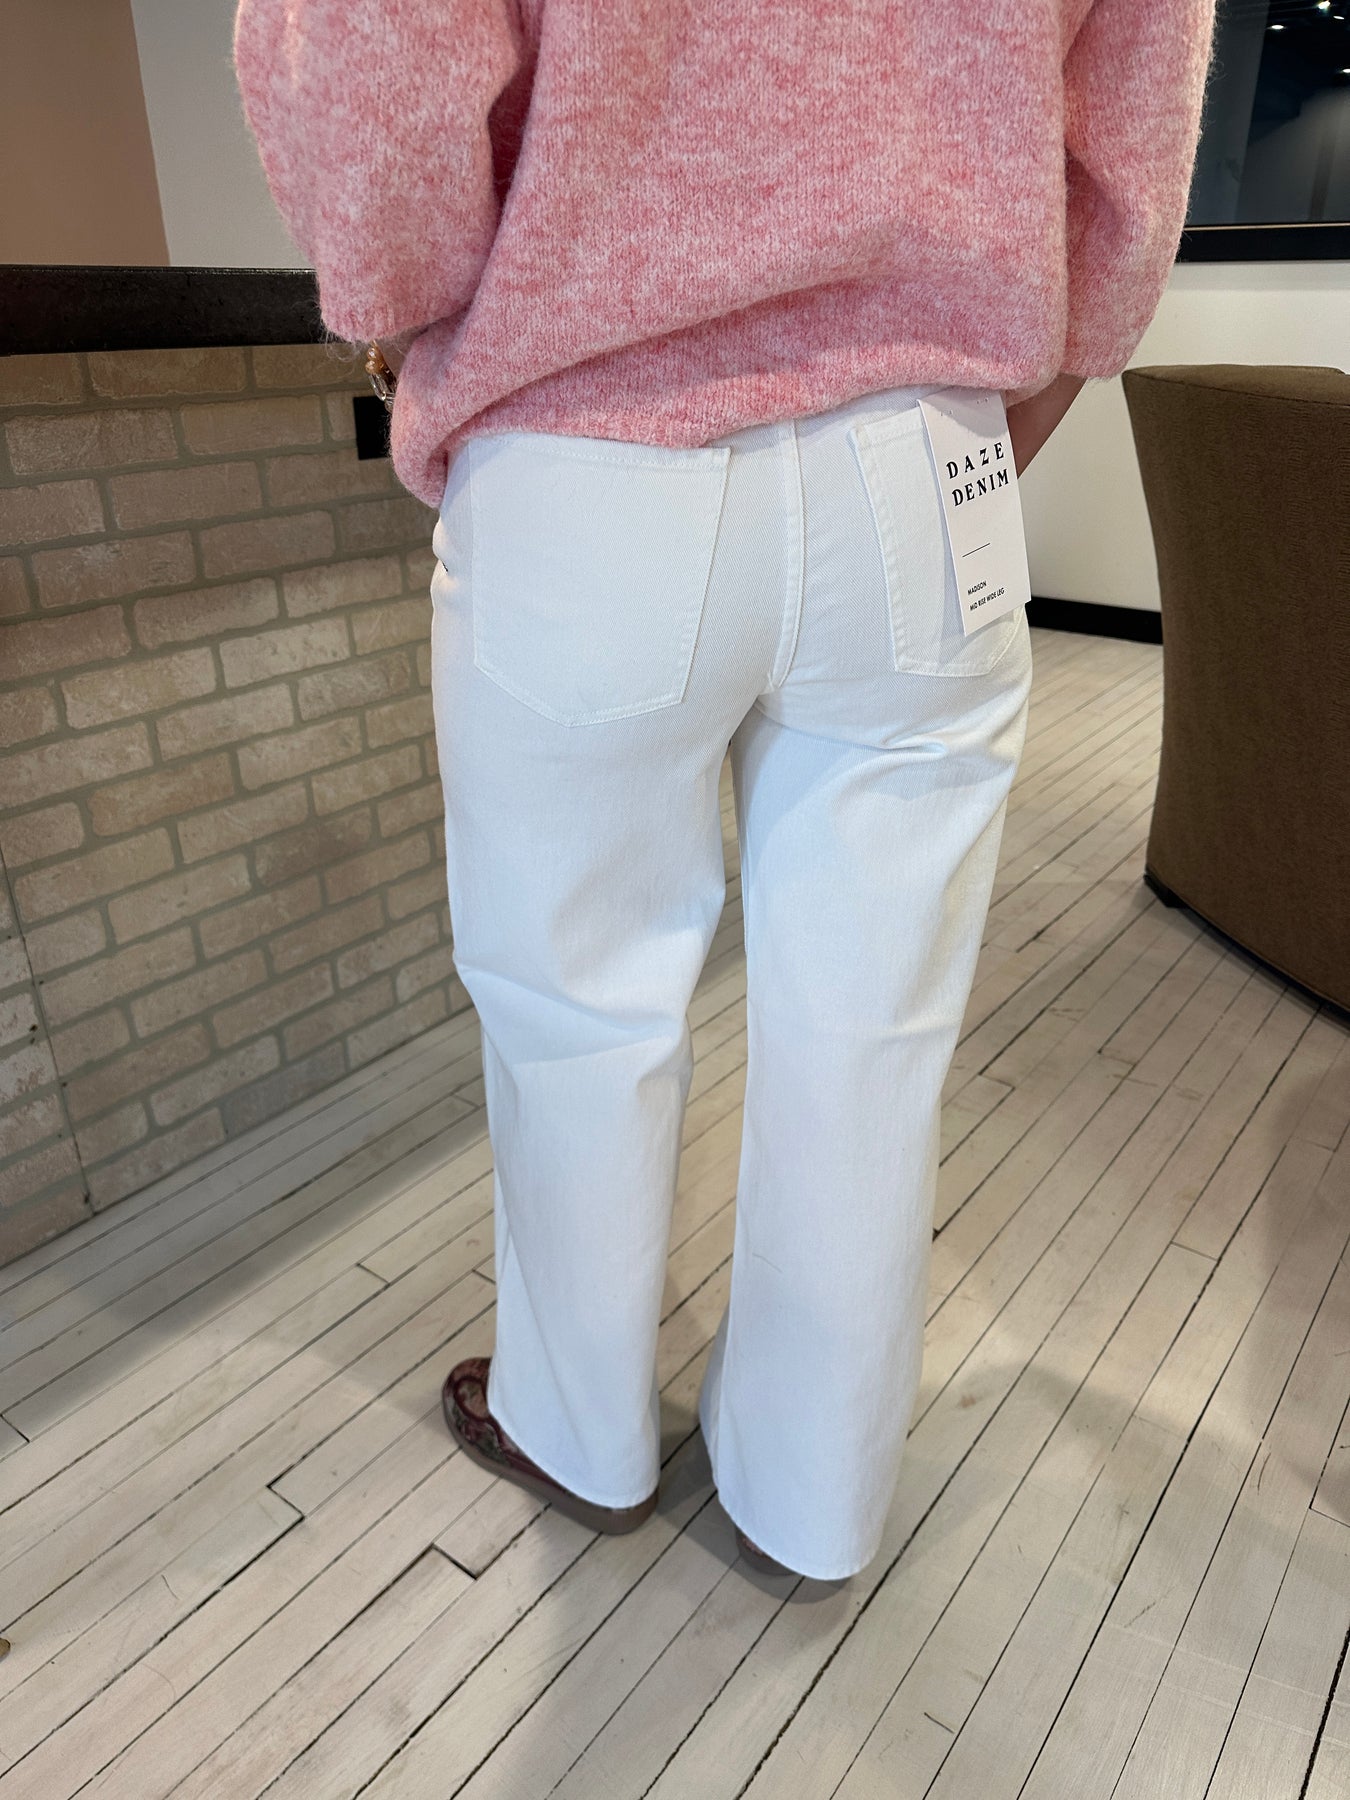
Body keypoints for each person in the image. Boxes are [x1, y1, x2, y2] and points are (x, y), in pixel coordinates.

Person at [234, 0, 1218, 1583]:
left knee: (575, 1002)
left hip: (584, 437)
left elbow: (373, 62)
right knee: (872, 1023)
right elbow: (1131, 128)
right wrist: (977, 414)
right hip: (925, 445)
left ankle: (574, 1429)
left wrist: (411, 318)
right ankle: (809, 1496)